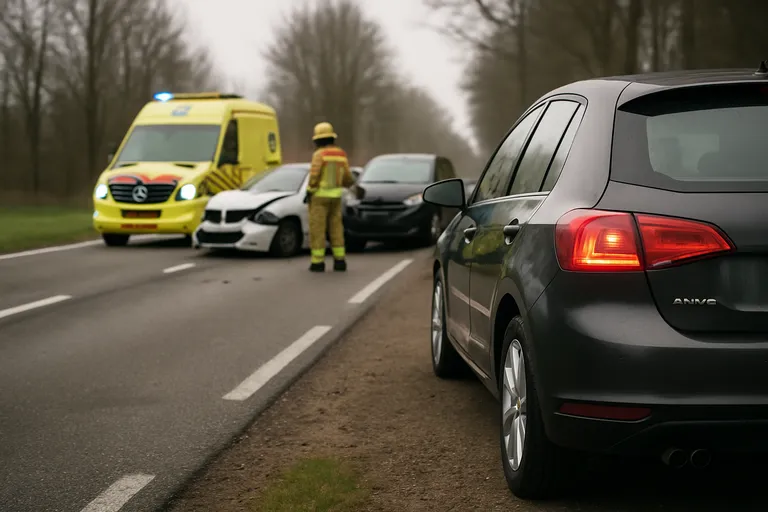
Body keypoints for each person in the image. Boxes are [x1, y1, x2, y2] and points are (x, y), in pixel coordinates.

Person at [304, 121, 356, 272]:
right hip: (336, 197)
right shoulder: (341, 154)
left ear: (318, 140)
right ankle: (340, 261)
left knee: (318, 230)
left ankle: (317, 263)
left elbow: (314, 175)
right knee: (336, 229)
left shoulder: (319, 154)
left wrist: (310, 190)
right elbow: (347, 177)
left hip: (319, 197)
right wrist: (350, 185)